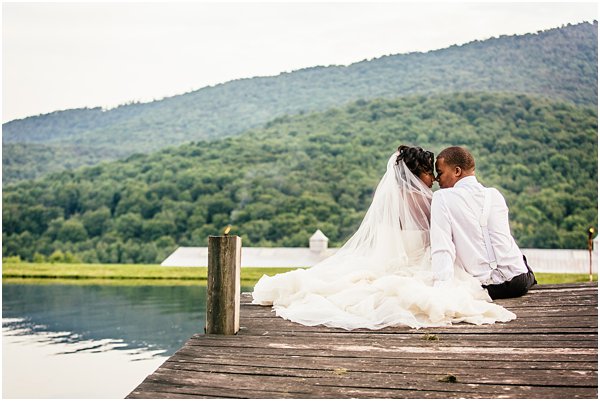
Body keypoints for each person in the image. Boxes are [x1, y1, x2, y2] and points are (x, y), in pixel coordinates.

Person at [252, 145, 516, 330]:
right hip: (421, 263)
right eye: (429, 172)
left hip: (393, 262)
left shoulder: (392, 200)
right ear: (417, 174)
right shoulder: (432, 201)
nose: (434, 179)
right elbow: (444, 242)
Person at [430, 146, 537, 299]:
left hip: (485, 287)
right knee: (521, 259)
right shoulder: (495, 194)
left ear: (457, 171)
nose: (436, 179)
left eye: (440, 173)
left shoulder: (442, 197)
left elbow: (443, 248)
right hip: (519, 282)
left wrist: (441, 289)